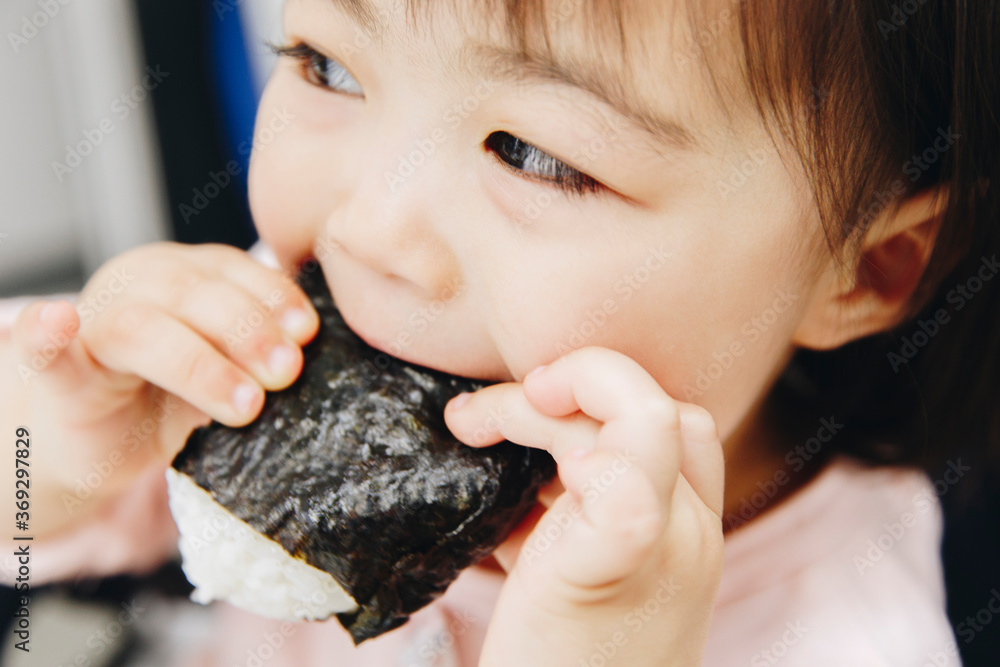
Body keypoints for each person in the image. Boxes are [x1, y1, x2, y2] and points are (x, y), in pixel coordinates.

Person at [2, 1, 998, 664]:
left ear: (866, 269)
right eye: (328, 67)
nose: (370, 231)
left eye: (531, 154)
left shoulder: (851, 627)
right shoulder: (276, 340)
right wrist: (50, 455)